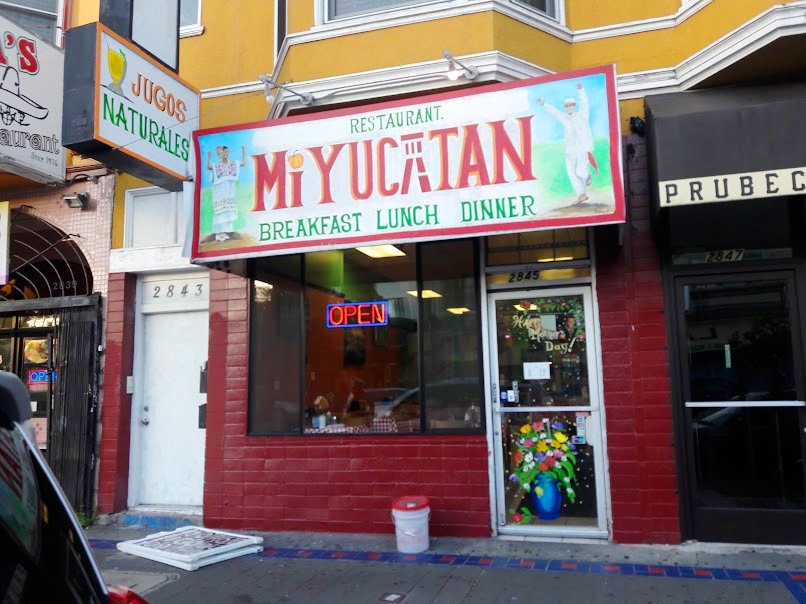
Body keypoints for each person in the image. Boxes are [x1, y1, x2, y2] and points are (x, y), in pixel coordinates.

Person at [537, 83, 598, 205]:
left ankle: (588, 176)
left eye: (570, 105)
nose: (569, 107)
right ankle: (582, 195)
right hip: (570, 151)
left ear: (574, 106)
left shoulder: (582, 115)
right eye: (566, 106)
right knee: (572, 174)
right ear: (565, 107)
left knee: (580, 171)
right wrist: (544, 104)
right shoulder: (564, 117)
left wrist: (581, 90)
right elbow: (554, 112)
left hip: (583, 149)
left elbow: (585, 103)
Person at [206, 145, 246, 242]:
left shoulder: (232, 163)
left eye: (227, 152)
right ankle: (219, 233)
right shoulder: (217, 165)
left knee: (228, 209)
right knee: (221, 210)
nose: (226, 154)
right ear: (221, 153)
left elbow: (243, 163)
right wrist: (209, 157)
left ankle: (227, 231)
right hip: (220, 190)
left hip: (229, 190)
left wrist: (243, 151)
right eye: (224, 152)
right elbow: (209, 167)